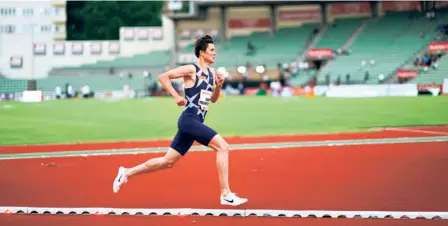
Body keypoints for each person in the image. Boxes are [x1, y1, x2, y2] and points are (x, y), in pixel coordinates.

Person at [112, 35, 248, 206]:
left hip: (195, 122)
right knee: (223, 147)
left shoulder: (212, 73)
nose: (215, 53)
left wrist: (218, 85)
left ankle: (126, 172)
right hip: (189, 120)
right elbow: (163, 77)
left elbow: (212, 100)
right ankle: (225, 193)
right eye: (212, 50)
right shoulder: (191, 69)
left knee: (167, 162)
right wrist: (176, 96)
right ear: (201, 53)